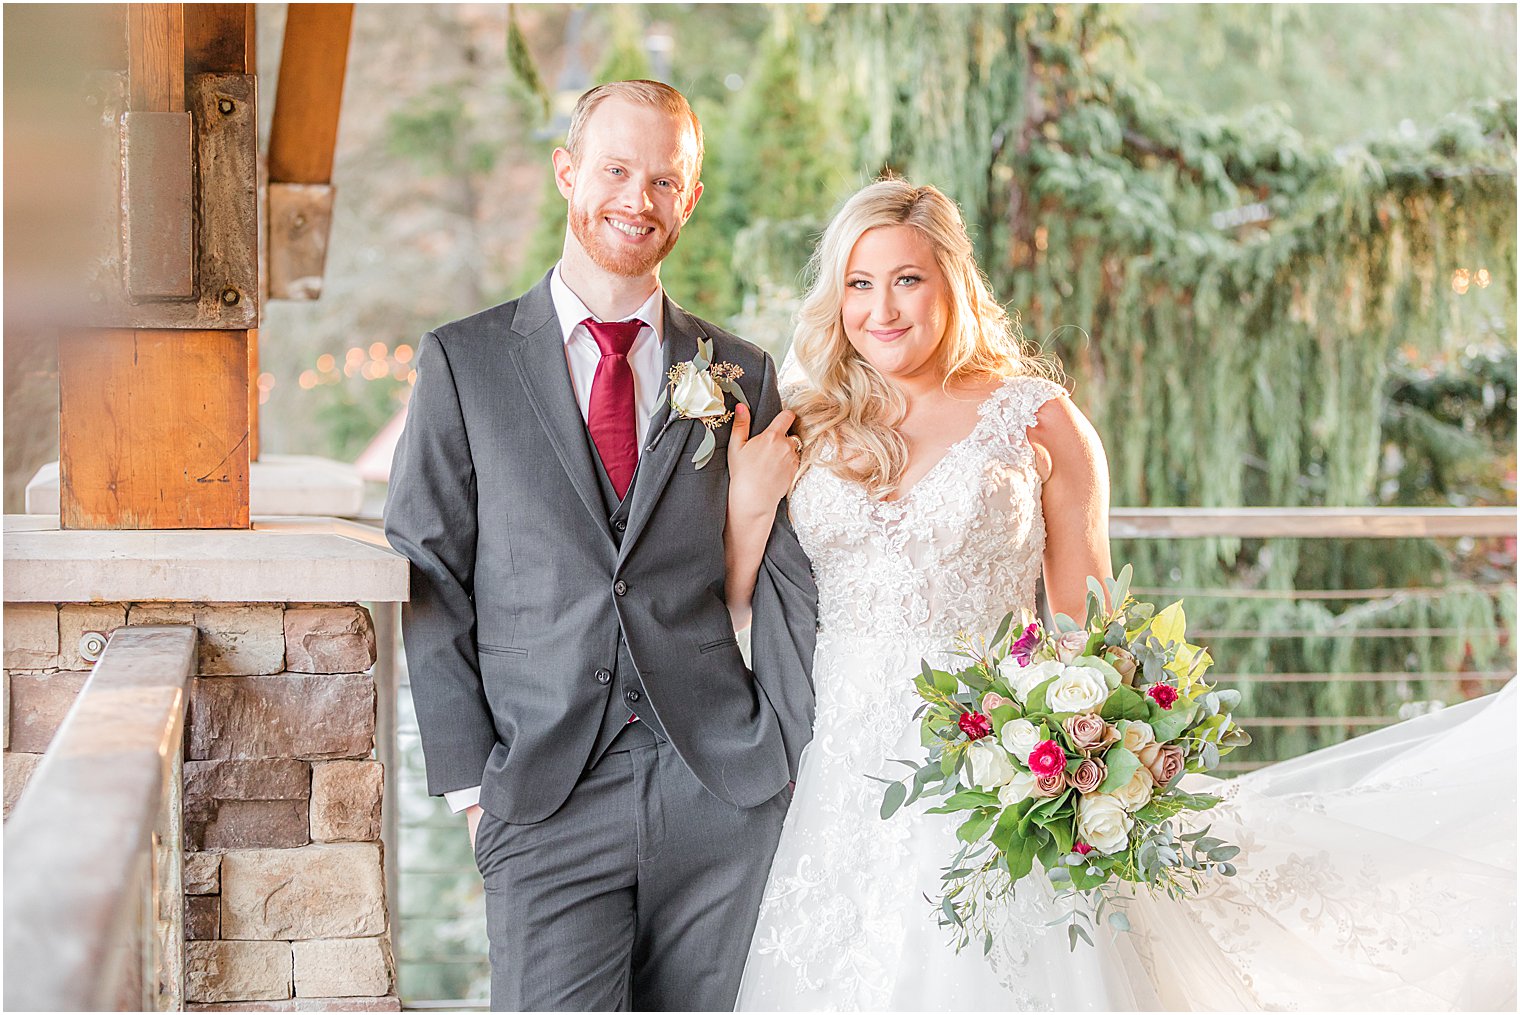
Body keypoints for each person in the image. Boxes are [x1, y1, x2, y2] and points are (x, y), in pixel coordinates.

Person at [726, 178, 1516, 1010]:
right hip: (844, 778)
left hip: (994, 769)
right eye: (859, 282)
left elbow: (1087, 625)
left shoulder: (1037, 419)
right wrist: (746, 502)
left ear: (951, 283)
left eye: (906, 279)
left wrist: (1073, 759)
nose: (881, 308)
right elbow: (737, 605)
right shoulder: (805, 425)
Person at [384, 80, 817, 1012]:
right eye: (616, 169)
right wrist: (472, 791)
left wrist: (784, 750)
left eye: (665, 179)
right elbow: (429, 575)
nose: (637, 197)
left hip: (719, 788)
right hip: (541, 794)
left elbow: (783, 577)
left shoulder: (740, 371)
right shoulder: (464, 362)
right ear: (567, 173)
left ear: (689, 199)